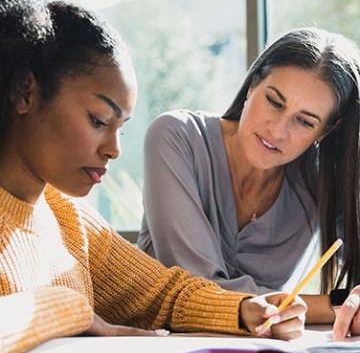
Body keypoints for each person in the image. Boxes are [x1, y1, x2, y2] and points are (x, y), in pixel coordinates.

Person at [0, 0, 307, 353]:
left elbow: (164, 295)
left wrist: (244, 311)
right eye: (98, 120)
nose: (113, 150)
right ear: (24, 92)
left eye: (121, 129)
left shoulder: (67, 219)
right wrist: (74, 310)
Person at [138, 27, 360, 326]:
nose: (277, 130)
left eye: (305, 122)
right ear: (253, 84)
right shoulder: (176, 137)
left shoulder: (323, 182)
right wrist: (334, 306)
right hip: (157, 346)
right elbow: (200, 291)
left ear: (327, 131)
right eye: (274, 101)